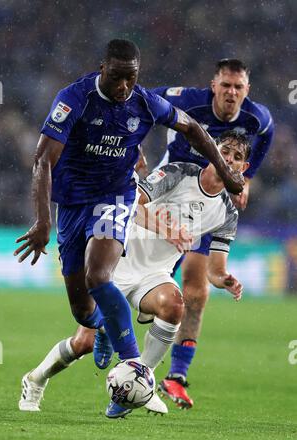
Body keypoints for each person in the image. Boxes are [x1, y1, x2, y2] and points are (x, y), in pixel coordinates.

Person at [14, 39, 244, 386]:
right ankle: (105, 326)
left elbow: (193, 129)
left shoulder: (145, 101)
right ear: (102, 68)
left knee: (99, 276)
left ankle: (134, 367)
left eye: (131, 80)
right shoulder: (74, 99)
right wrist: (43, 220)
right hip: (74, 202)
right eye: (118, 78)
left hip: (116, 195)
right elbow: (43, 159)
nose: (124, 88)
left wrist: (225, 173)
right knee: (82, 308)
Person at [19, 130, 248, 418]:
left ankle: (138, 383)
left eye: (237, 157)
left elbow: (215, 270)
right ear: (213, 150)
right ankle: (36, 379)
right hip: (116, 260)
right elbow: (129, 205)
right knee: (83, 343)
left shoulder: (228, 214)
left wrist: (224, 280)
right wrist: (167, 229)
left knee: (174, 306)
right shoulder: (179, 173)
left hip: (154, 274)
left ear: (244, 168)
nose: (229, 159)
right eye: (225, 151)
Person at [147, 58, 274, 408]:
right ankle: (102, 331)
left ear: (246, 91)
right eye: (225, 85)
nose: (231, 93)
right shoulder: (188, 101)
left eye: (238, 87)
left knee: (196, 292)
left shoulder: (256, 118)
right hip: (169, 196)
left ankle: (175, 377)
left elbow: (267, 135)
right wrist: (135, 149)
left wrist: (244, 179)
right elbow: (142, 101)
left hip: (206, 205)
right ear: (213, 85)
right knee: (144, 279)